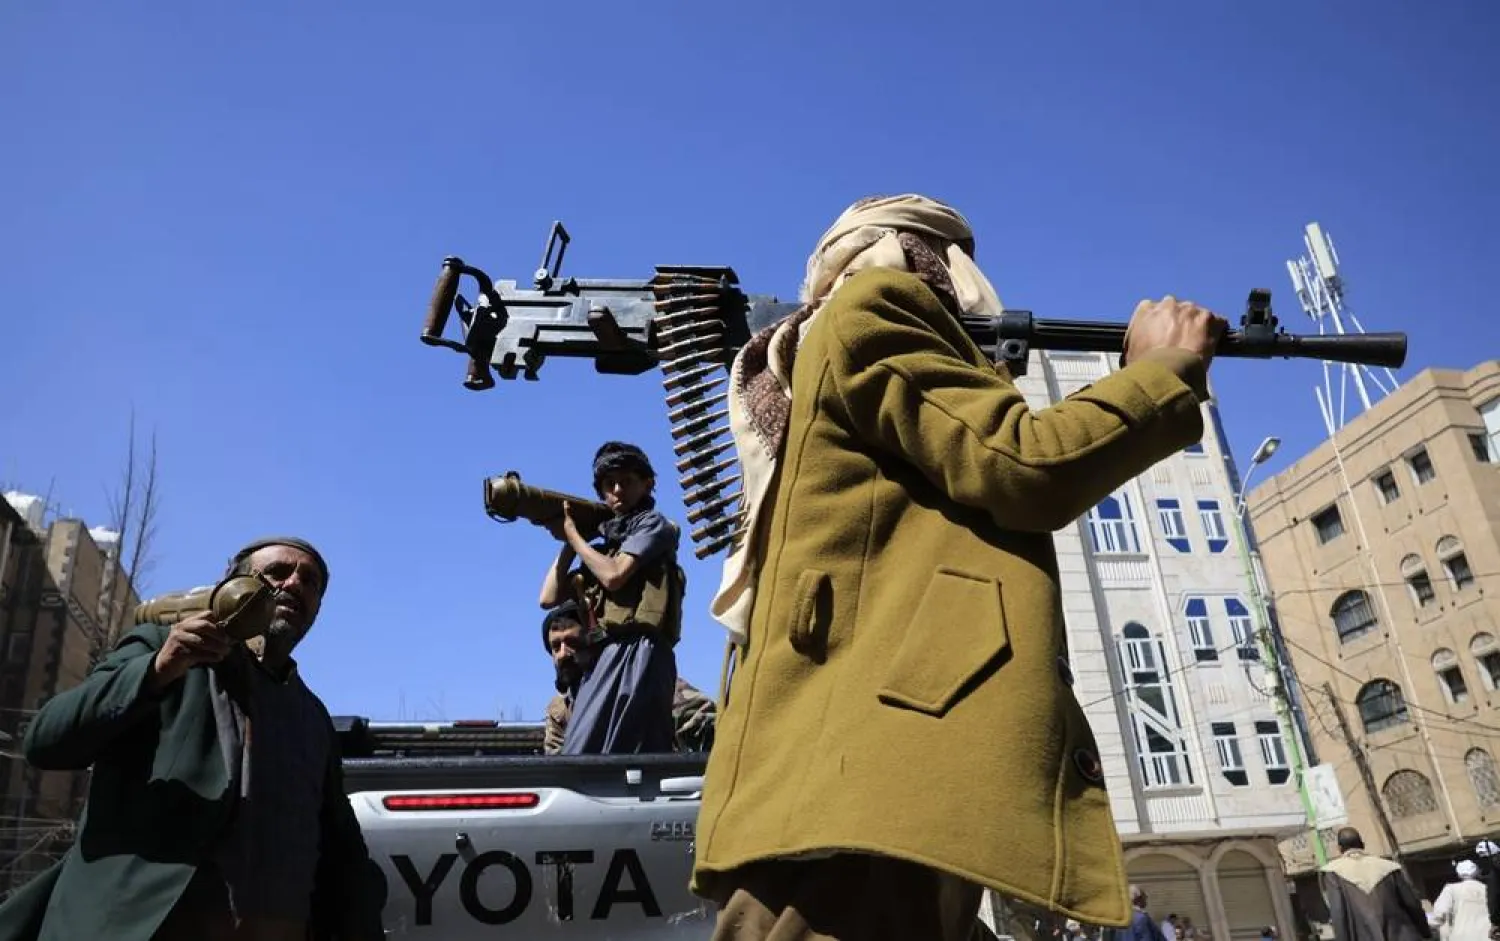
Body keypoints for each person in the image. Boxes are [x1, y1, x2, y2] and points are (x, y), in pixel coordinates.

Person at [690, 194, 1229, 939]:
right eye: (951, 258)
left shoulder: (807, 350)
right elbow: (1019, 462)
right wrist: (1162, 369)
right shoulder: (874, 306)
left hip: (845, 788)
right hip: (865, 788)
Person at [0, 536, 384, 941]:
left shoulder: (313, 718)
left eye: (311, 583)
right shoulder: (162, 651)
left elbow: (343, 856)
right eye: (277, 573)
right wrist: (158, 670)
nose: (294, 585)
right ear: (232, 587)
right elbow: (46, 741)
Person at [538, 441, 685, 754]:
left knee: (591, 752)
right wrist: (570, 540)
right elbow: (548, 598)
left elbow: (615, 576)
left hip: (640, 651)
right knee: (594, 752)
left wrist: (576, 538)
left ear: (647, 484)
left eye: (627, 481)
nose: (617, 490)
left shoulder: (653, 525)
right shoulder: (604, 549)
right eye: (608, 484)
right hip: (608, 655)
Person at [540, 602, 718, 754]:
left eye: (573, 643)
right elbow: (558, 771)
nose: (563, 654)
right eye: (556, 646)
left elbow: (709, 727)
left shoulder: (645, 682)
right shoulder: (560, 711)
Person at [1320, 827, 1430, 941]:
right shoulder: (1388, 867)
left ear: (1339, 848)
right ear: (1362, 844)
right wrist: (1425, 932)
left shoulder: (1333, 873)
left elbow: (1339, 914)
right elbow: (1412, 904)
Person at [1430, 860, 1492, 941]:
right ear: (1476, 872)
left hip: (1461, 936)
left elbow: (1440, 912)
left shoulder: (1451, 889)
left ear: (1458, 874)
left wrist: (1430, 926)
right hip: (1488, 936)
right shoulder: (1487, 889)